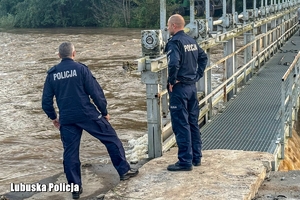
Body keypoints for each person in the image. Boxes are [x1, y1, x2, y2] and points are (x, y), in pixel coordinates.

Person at [42, 42, 138, 199]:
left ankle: (75, 189)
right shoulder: (81, 69)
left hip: (67, 118)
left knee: (70, 153)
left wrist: (53, 118)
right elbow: (96, 92)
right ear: (74, 53)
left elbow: (46, 101)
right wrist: (104, 112)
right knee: (111, 138)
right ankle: (124, 171)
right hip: (87, 114)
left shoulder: (52, 74)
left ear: (59, 56)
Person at [165, 14, 208, 171]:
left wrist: (171, 80)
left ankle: (184, 161)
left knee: (181, 124)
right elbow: (204, 57)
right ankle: (196, 157)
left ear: (174, 26)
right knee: (192, 123)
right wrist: (198, 74)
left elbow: (173, 63)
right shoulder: (191, 41)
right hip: (191, 87)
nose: (168, 28)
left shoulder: (175, 42)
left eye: (168, 25)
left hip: (180, 88)